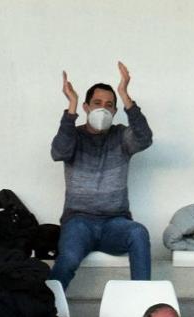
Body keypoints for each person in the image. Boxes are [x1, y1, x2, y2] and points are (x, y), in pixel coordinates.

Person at [49, 63, 152, 288]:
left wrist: (125, 95)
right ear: (87, 107)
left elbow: (144, 138)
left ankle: (144, 304)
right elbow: (59, 152)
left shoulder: (121, 136)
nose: (103, 109)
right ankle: (46, 311)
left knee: (138, 233)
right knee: (68, 259)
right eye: (97, 104)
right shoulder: (73, 135)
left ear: (115, 111)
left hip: (115, 223)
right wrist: (71, 108)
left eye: (109, 105)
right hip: (78, 222)